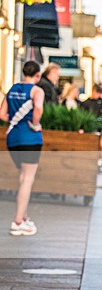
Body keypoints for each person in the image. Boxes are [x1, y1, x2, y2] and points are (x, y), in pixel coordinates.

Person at [0, 61, 44, 235]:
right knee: (28, 178)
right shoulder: (36, 91)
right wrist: (35, 124)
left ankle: (23, 217)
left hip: (12, 138)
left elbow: (2, 114)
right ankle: (18, 221)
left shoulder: (12, 89)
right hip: (30, 138)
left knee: (23, 176)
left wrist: (14, 120)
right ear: (37, 75)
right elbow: (38, 107)